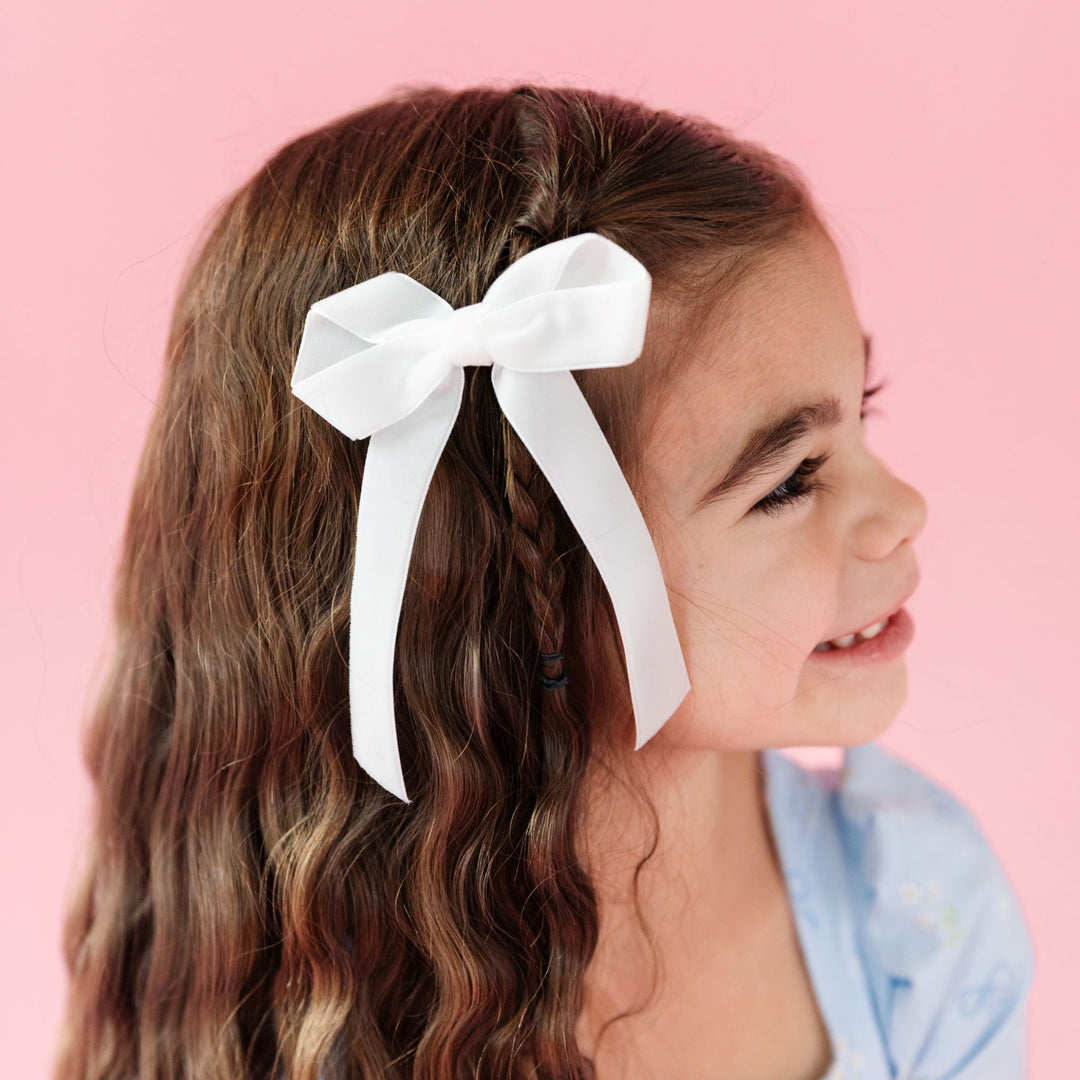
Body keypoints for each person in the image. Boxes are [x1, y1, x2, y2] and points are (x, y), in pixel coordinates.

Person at [53, 83, 1035, 1080]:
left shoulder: (915, 913)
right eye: (791, 481)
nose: (901, 509)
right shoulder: (313, 1014)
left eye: (860, 412)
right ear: (517, 579)